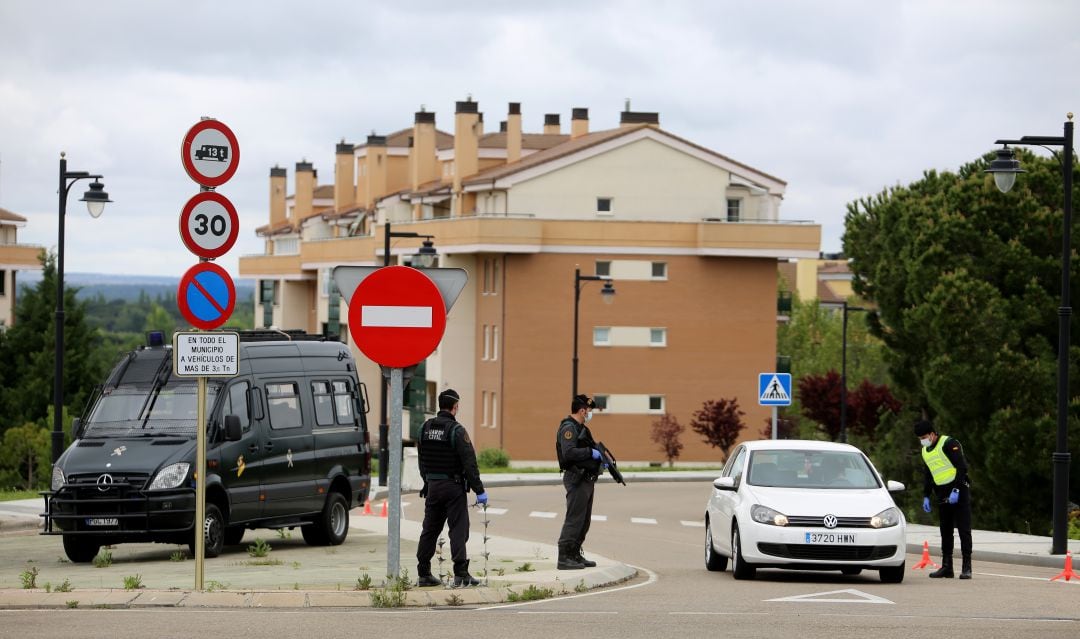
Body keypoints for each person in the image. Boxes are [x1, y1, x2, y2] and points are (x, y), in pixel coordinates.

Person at [415, 389, 488, 587]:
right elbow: (469, 464)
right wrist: (479, 490)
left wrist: (427, 482)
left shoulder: (425, 428)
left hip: (433, 487)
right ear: (455, 407)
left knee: (429, 529)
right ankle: (461, 573)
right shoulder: (457, 430)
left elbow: (422, 460)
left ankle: (423, 573)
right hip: (453, 487)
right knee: (458, 529)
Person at [915, 419, 973, 580]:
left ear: (932, 434)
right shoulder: (925, 451)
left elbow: (962, 467)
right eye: (919, 439)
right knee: (945, 531)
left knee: (963, 529)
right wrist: (926, 495)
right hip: (942, 493)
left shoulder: (949, 443)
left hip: (959, 490)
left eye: (924, 437)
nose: (922, 441)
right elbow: (928, 474)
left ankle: (966, 567)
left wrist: (956, 489)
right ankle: (947, 567)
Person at [556, 393, 604, 570]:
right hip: (576, 478)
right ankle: (564, 557)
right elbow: (569, 452)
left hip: (586, 478)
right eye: (589, 410)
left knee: (584, 520)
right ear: (583, 410)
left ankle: (575, 554)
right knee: (574, 519)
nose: (590, 413)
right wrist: (590, 453)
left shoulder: (581, 428)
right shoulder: (569, 428)